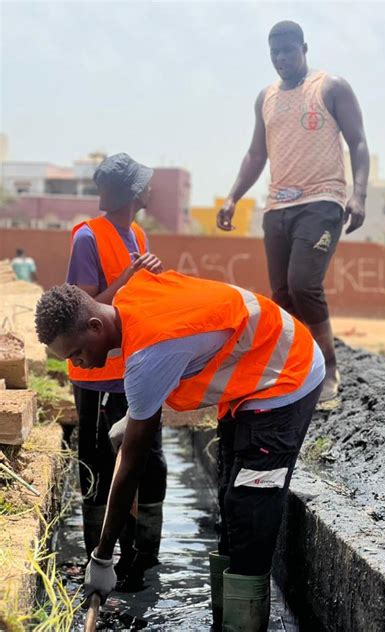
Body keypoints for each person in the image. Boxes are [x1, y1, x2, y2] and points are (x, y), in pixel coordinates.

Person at [35, 268, 325, 631]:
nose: (76, 364)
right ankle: (225, 618)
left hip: (287, 373)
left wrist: (103, 556)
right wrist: (138, 416)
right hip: (252, 377)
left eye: (76, 353)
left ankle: (243, 625)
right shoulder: (129, 301)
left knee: (251, 504)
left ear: (95, 326)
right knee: (231, 501)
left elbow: (131, 463)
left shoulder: (147, 353)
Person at [217, 20, 370, 402]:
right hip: (278, 207)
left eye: (288, 50)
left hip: (322, 200)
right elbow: (256, 153)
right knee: (283, 293)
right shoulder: (265, 98)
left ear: (304, 47)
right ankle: (297, 369)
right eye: (275, 53)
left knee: (304, 283)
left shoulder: (331, 87)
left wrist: (359, 195)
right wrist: (233, 196)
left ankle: (330, 370)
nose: (282, 59)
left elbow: (359, 142)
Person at [66, 153, 167, 588]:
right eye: (145, 184)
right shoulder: (88, 238)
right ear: (132, 193)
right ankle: (98, 558)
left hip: (134, 368)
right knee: (97, 464)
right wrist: (128, 274)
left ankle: (140, 561)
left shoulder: (138, 234)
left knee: (146, 462)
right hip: (95, 375)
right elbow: (85, 311)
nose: (150, 189)